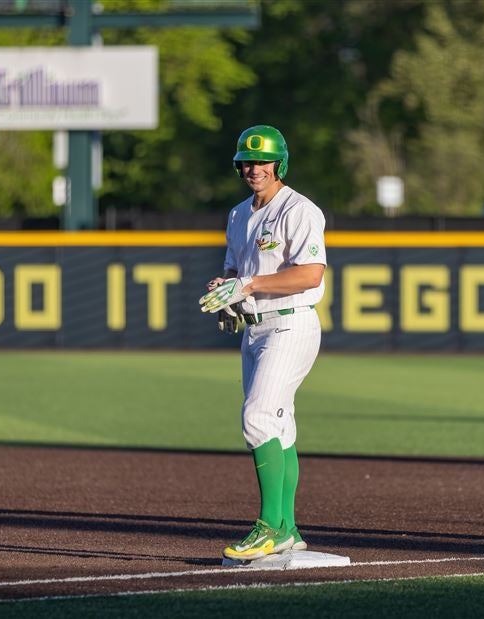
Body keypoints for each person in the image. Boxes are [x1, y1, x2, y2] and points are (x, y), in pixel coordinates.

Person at [198, 125, 327, 561]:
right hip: (255, 329)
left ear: (280, 164)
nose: (255, 168)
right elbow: (236, 276)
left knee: (256, 417)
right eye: (247, 161)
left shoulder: (300, 209)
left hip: (291, 324)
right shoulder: (238, 215)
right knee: (279, 426)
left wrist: (247, 286)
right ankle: (288, 528)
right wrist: (227, 293)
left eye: (263, 160)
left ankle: (269, 525)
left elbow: (310, 274)